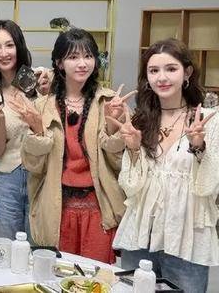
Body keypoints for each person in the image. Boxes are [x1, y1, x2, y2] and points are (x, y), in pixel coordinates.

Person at [108, 38, 218, 293]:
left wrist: (199, 146)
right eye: (154, 70)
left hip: (186, 237)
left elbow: (210, 185)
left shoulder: (208, 121)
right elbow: (131, 186)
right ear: (147, 77)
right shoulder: (141, 120)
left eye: (171, 68)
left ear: (187, 72)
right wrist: (133, 149)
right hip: (141, 234)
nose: (162, 77)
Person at [17, 28, 129, 263]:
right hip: (57, 208)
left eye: (88, 56)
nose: (82, 63)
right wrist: (37, 130)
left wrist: (113, 127)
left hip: (99, 209)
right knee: (58, 275)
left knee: (96, 276)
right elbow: (33, 166)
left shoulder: (109, 102)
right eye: (73, 57)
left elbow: (120, 165)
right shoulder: (42, 106)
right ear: (59, 63)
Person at [0, 20, 36, 239]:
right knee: (3, 245)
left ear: (19, 46)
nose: (3, 53)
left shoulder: (37, 82)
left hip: (40, 174)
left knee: (38, 244)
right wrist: (0, 121)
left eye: (9, 45)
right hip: (7, 177)